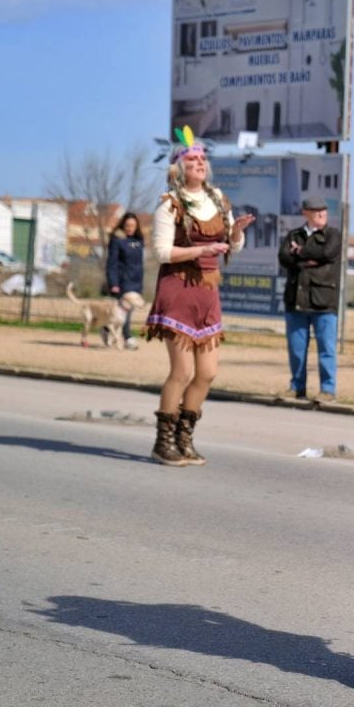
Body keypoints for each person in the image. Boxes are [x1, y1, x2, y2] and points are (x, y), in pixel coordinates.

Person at [144, 126, 254, 467]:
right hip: (178, 289)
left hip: (207, 292)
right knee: (181, 371)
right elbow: (162, 252)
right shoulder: (170, 204)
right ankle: (163, 442)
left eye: (202, 158)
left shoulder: (218, 199)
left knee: (206, 373)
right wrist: (202, 248)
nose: (199, 162)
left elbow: (232, 246)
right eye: (192, 159)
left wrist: (235, 234)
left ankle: (184, 437)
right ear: (178, 167)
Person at [278, 197, 342, 402]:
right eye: (317, 211)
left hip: (324, 301)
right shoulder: (294, 234)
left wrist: (300, 251)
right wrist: (309, 258)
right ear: (306, 213)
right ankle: (297, 387)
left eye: (324, 210)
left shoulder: (333, 234)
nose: (322, 214)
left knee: (326, 349)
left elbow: (328, 253)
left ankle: (327, 390)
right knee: (297, 349)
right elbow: (284, 258)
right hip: (296, 300)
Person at [105, 211, 145, 349]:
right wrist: (113, 283)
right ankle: (127, 337)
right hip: (122, 281)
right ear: (123, 225)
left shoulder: (139, 241)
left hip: (136, 281)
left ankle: (106, 328)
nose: (130, 228)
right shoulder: (117, 240)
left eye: (133, 225)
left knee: (129, 310)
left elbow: (139, 263)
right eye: (127, 225)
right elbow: (112, 263)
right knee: (124, 311)